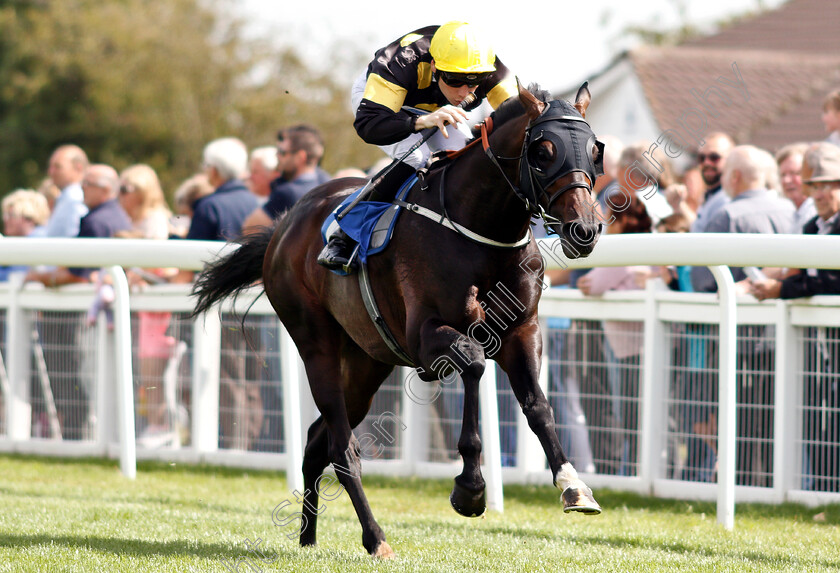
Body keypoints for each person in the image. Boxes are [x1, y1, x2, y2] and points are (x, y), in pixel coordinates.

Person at [318, 21, 518, 271]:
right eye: (455, 80)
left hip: (434, 109)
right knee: (417, 158)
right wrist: (420, 122)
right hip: (384, 106)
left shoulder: (489, 66)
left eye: (475, 81)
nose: (465, 90)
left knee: (463, 157)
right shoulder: (399, 61)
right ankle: (343, 235)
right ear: (434, 66)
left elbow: (522, 114)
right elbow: (369, 125)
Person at [751, 142, 840, 491]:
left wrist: (780, 289)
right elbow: (803, 277)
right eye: (814, 185)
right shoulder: (811, 228)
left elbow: (829, 281)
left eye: (827, 184)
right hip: (819, 344)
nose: (819, 193)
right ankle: (820, 494)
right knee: (817, 420)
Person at [577, 191, 653, 475]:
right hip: (638, 347)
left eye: (610, 217)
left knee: (633, 415)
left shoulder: (624, 251)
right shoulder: (650, 246)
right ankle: (634, 472)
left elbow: (589, 284)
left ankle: (632, 473)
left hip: (632, 350)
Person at [241, 125, 330, 233]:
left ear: (300, 156)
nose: (277, 156)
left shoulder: (287, 193)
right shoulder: (328, 185)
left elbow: (249, 229)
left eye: (282, 152)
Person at [0, 190, 51, 280]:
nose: (5, 219)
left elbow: (15, 275)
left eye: (11, 215)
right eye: (5, 215)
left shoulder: (36, 240)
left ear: (30, 218)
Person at [43, 144, 89, 238]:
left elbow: (72, 238)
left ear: (78, 168)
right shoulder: (66, 197)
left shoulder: (75, 198)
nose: (51, 172)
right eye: (51, 167)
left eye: (58, 167)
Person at [776, 143, 817, 233]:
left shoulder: (815, 213)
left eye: (795, 173)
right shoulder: (794, 213)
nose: (787, 180)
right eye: (783, 175)